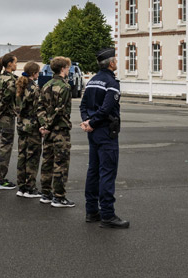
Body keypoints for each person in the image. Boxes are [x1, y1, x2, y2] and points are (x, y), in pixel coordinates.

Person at [80, 47, 128, 228]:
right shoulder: (111, 83)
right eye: (116, 61)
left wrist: (87, 120)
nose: (117, 63)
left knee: (93, 171)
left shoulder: (92, 81)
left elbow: (83, 105)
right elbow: (107, 107)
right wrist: (92, 122)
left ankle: (91, 211)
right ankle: (107, 214)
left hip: (93, 132)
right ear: (111, 63)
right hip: (106, 131)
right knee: (107, 172)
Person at [38, 57, 75, 208]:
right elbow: (59, 110)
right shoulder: (64, 87)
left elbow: (40, 108)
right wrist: (47, 124)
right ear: (63, 68)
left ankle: (46, 193)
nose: (68, 70)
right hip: (60, 130)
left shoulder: (46, 85)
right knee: (61, 163)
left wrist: (43, 125)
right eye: (68, 67)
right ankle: (59, 196)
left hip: (48, 131)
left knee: (47, 161)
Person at [0, 52, 18, 189]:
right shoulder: (11, 80)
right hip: (5, 118)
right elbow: (6, 101)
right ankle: (0, 178)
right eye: (15, 62)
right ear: (10, 64)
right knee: (5, 149)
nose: (16, 65)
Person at [15, 61, 43, 198]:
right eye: (38, 72)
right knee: (32, 157)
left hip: (21, 124)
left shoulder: (20, 86)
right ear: (34, 73)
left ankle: (21, 186)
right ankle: (30, 188)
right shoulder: (34, 88)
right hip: (32, 125)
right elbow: (39, 109)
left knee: (22, 155)